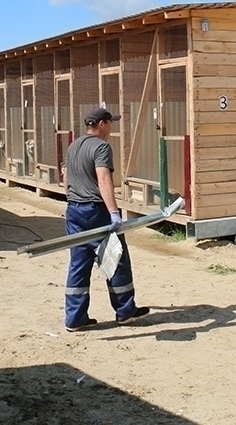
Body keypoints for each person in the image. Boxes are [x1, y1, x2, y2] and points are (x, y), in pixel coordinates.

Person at [62, 106, 149, 331]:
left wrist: (71, 200)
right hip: (96, 211)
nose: (112, 126)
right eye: (111, 122)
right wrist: (113, 212)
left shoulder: (74, 145)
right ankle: (125, 311)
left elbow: (66, 177)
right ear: (102, 124)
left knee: (78, 264)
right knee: (117, 259)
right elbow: (103, 180)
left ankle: (74, 318)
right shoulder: (101, 147)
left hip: (74, 210)